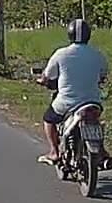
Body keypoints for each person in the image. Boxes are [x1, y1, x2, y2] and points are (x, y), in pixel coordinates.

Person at [36, 19, 108, 164]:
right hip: (93, 101)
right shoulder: (98, 54)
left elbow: (47, 76)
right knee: (96, 121)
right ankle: (102, 151)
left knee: (48, 119)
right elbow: (103, 75)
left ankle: (54, 152)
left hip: (67, 102)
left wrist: (42, 80)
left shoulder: (61, 54)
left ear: (69, 34)